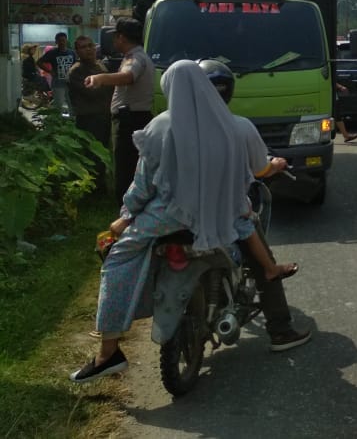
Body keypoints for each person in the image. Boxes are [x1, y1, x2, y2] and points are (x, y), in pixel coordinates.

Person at [69, 61, 306, 383]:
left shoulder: (159, 126)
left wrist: (126, 216)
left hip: (167, 216)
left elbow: (143, 184)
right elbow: (255, 171)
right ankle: (281, 329)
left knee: (118, 259)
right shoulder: (234, 126)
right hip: (225, 214)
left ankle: (108, 351)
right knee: (258, 249)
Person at [85, 18, 155, 202]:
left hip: (129, 120)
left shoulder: (135, 58)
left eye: (115, 37)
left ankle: (126, 208)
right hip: (132, 118)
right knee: (129, 164)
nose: (113, 41)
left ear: (122, 37)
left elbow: (128, 76)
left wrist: (100, 78)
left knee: (125, 166)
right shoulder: (134, 56)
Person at [68, 36, 114, 190]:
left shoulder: (100, 65)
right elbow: (93, 92)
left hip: (104, 116)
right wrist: (111, 81)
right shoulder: (77, 71)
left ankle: (100, 185)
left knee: (103, 153)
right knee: (92, 155)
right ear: (77, 51)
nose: (88, 49)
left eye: (90, 45)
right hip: (89, 118)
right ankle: (92, 189)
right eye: (83, 47)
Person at [38, 32, 77, 111]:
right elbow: (39, 62)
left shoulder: (72, 52)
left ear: (66, 41)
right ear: (56, 41)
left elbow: (76, 64)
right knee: (58, 105)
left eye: (63, 40)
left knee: (72, 104)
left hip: (70, 83)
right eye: (59, 40)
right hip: (58, 83)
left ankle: (72, 118)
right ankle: (58, 118)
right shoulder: (52, 52)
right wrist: (50, 71)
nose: (62, 42)